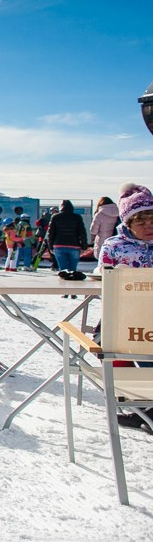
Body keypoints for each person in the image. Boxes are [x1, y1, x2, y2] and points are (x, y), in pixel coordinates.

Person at [97, 183, 153, 431]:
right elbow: (103, 277)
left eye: (152, 221)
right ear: (128, 223)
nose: (149, 227)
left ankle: (147, 408)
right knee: (113, 343)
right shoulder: (114, 246)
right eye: (141, 222)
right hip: (124, 316)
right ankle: (140, 405)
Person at [45, 199, 88, 273]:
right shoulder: (77, 217)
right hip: (74, 246)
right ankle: (72, 277)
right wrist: (84, 246)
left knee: (63, 270)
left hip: (58, 245)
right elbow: (82, 233)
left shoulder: (55, 217)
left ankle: (64, 278)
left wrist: (50, 246)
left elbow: (50, 233)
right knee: (73, 269)